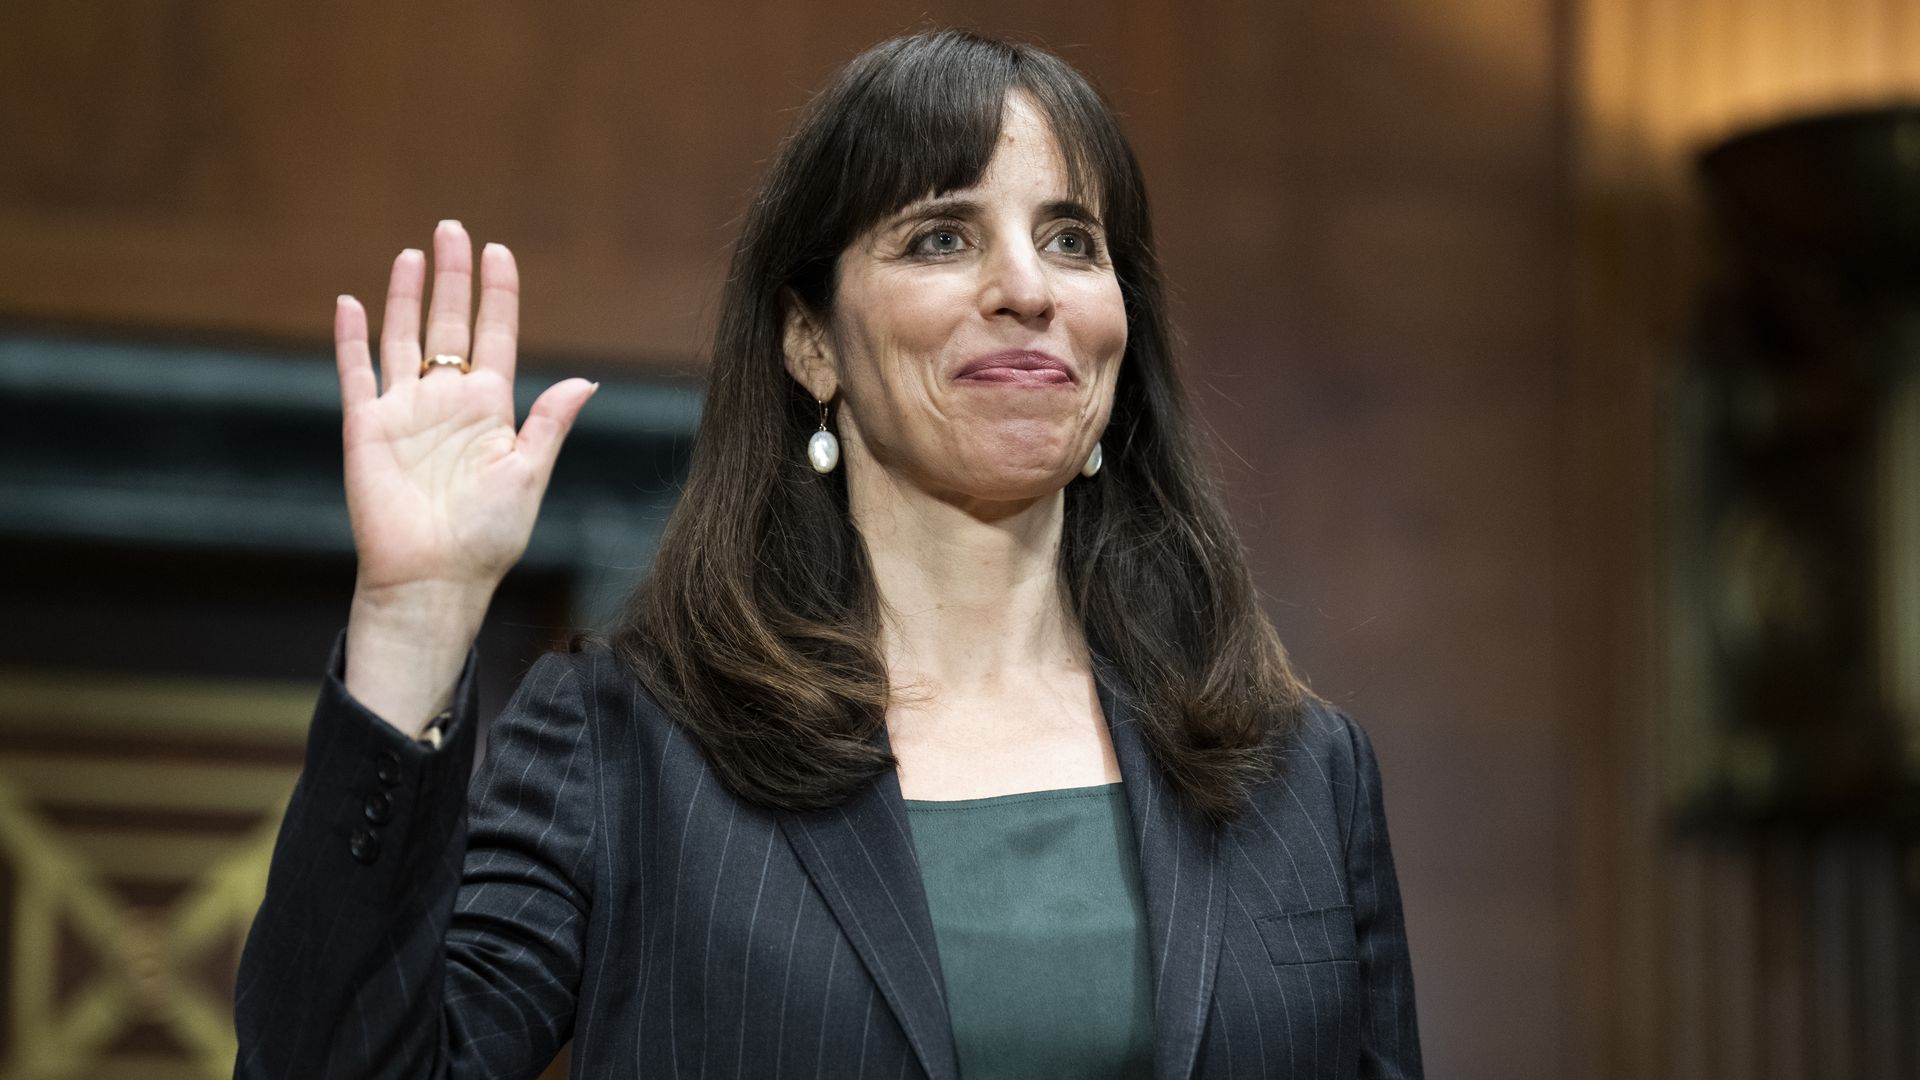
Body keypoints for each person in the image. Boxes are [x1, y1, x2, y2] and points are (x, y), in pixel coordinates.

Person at [232, 29, 1422, 1080]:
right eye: (943, 236)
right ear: (812, 344)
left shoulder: (1302, 773)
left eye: (1071, 239)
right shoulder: (624, 746)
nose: (1026, 289)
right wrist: (417, 616)